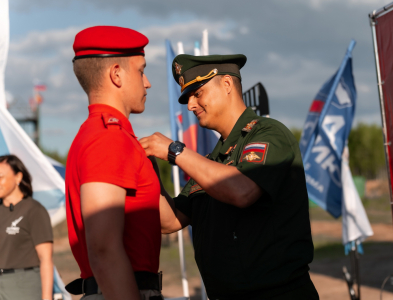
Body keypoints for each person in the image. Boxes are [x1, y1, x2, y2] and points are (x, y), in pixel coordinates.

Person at [140, 54, 319, 300]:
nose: (191, 105)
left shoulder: (269, 134)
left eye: (198, 93)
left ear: (226, 85)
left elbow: (242, 190)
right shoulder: (212, 160)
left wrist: (175, 151)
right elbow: (169, 221)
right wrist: (145, 164)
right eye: (188, 98)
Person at [65, 26, 171, 300]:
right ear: (116, 74)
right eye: (141, 70)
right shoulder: (109, 138)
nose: (147, 82)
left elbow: (167, 219)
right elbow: (103, 249)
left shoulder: (101, 134)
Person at [0, 154, 54, 300]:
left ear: (18, 177)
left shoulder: (34, 210)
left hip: (24, 286)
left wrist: (47, 297)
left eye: (1, 177)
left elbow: (46, 259)